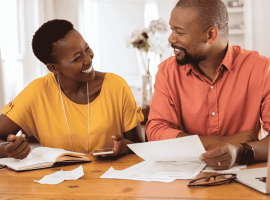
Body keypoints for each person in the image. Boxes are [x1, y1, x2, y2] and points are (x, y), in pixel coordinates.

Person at [146, 0, 270, 170]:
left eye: (179, 32)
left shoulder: (261, 69)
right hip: (186, 179)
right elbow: (156, 131)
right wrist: (225, 142)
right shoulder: (168, 72)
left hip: (246, 176)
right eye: (171, 29)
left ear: (211, 35)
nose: (171, 38)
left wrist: (239, 150)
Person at [0, 19, 144, 159]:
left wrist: (124, 147)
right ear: (53, 68)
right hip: (58, 181)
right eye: (77, 58)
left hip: (113, 180)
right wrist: (7, 150)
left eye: (86, 48)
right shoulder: (37, 92)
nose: (88, 59)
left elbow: (139, 147)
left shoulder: (116, 86)